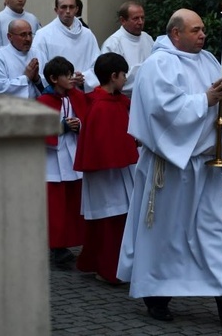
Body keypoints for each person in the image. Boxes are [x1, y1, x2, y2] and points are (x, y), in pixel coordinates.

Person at [117, 9, 222, 327]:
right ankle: (155, 296)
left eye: (203, 30)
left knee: (214, 231)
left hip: (205, 166)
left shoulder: (210, 60)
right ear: (175, 34)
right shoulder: (158, 65)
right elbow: (161, 110)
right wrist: (204, 100)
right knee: (166, 234)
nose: (202, 35)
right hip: (170, 168)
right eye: (195, 30)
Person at [74, 52, 139, 284]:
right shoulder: (101, 106)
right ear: (113, 76)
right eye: (123, 75)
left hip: (117, 171)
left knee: (115, 219)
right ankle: (108, 269)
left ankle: (98, 263)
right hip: (105, 174)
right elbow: (102, 143)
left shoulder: (117, 102)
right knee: (109, 221)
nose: (125, 79)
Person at [37, 56, 88, 267]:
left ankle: (69, 243)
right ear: (53, 79)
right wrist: (62, 127)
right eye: (66, 75)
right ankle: (57, 248)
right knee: (56, 207)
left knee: (72, 205)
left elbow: (87, 117)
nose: (71, 78)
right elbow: (38, 131)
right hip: (52, 162)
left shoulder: (75, 96)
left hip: (71, 157)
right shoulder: (43, 102)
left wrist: (79, 125)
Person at [32, 0, 100, 91]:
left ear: (77, 9)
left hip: (82, 91)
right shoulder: (43, 35)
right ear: (56, 10)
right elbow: (40, 70)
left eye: (71, 7)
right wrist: (62, 80)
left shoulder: (87, 34)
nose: (68, 11)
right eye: (63, 7)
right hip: (57, 93)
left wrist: (84, 77)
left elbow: (97, 65)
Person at [100, 1, 155, 96]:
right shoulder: (113, 43)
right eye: (136, 18)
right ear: (123, 20)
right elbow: (110, 80)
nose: (140, 22)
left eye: (142, 18)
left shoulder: (148, 38)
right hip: (124, 98)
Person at [0, 18, 44, 98]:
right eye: (23, 35)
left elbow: (49, 86)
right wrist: (26, 77)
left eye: (30, 34)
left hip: (36, 106)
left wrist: (37, 79)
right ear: (10, 37)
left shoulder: (38, 54)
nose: (28, 39)